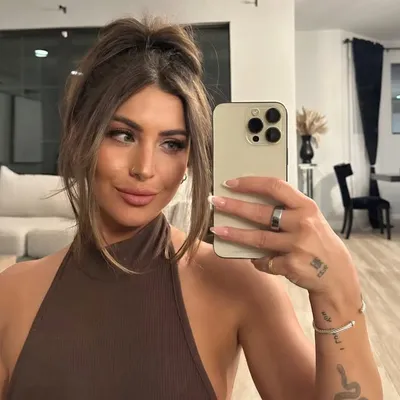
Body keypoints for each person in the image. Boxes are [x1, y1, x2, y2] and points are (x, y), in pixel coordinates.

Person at [0, 17, 382, 400]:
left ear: (189, 159)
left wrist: (339, 291)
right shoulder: (11, 294)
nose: (144, 169)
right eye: (123, 134)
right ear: (80, 134)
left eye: (172, 144)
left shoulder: (241, 285)